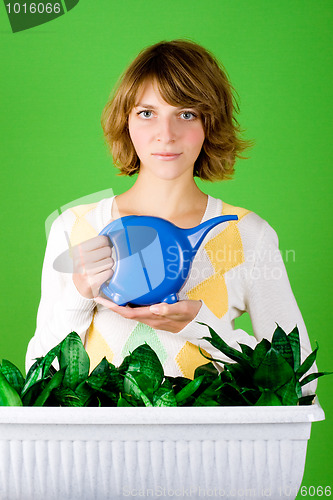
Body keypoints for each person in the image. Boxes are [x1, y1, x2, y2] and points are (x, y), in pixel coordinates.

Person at [26, 40, 316, 393]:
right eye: (147, 113)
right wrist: (78, 295)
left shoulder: (246, 235)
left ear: (210, 123)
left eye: (186, 114)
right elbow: (36, 383)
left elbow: (298, 383)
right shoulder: (75, 229)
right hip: (98, 449)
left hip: (210, 449)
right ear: (126, 121)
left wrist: (200, 325)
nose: (166, 134)